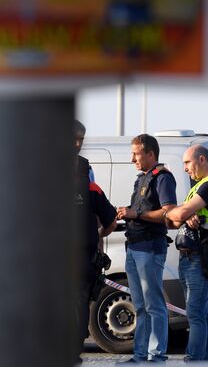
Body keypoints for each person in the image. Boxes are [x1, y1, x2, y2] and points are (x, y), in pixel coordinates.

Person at [164, 145, 208, 362]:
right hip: (192, 256)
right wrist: (181, 215)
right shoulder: (201, 186)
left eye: (187, 163)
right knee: (201, 313)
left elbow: (178, 213)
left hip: (200, 257)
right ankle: (203, 360)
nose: (185, 169)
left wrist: (172, 211)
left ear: (201, 159)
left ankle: (195, 360)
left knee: (194, 314)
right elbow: (175, 220)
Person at [116, 134, 177, 363]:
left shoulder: (163, 178)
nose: (132, 159)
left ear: (150, 154)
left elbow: (168, 212)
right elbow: (139, 211)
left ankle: (156, 355)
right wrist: (126, 213)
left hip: (150, 249)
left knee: (154, 305)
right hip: (134, 247)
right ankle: (140, 354)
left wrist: (136, 214)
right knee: (140, 305)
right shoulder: (142, 178)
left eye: (137, 153)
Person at [73, 120, 117, 364]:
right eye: (75, 139)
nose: (79, 144)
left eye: (81, 139)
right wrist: (98, 234)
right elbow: (109, 221)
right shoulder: (88, 183)